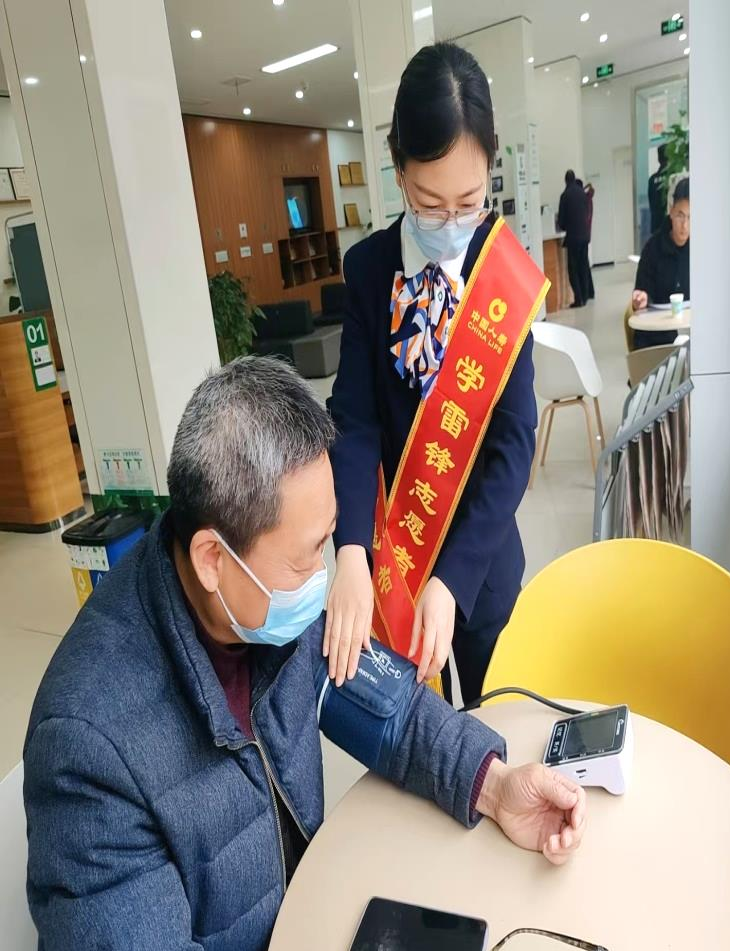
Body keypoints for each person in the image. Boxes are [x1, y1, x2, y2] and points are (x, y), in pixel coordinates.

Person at [23, 357, 587, 951]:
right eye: (307, 556)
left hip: (312, 913)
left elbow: (390, 712)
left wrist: (494, 785)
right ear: (213, 559)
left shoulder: (259, 602)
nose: (322, 578)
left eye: (328, 542)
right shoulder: (90, 751)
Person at [327, 42, 544, 705]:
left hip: (481, 567)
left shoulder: (503, 277)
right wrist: (350, 551)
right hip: (393, 561)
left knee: (492, 727)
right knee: (415, 741)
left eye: (469, 202)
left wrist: (452, 578)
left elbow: (513, 443)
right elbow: (355, 420)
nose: (450, 223)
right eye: (429, 203)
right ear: (398, 170)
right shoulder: (369, 271)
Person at [631, 176, 690, 350]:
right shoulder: (653, 249)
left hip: (693, 333)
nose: (685, 225)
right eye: (680, 215)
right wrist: (641, 299)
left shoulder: (701, 249)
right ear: (671, 212)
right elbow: (642, 292)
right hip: (657, 338)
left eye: (691, 217)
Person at [557, 169, 593, 307]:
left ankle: (579, 299)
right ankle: (585, 295)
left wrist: (564, 225)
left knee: (573, 269)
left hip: (573, 238)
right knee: (583, 266)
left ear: (566, 181)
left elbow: (561, 221)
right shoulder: (582, 194)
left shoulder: (565, 196)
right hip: (585, 236)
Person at [647, 144, 669, 237]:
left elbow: (651, 202)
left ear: (658, 159)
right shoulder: (672, 177)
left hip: (656, 226)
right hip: (669, 226)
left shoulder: (652, 179)